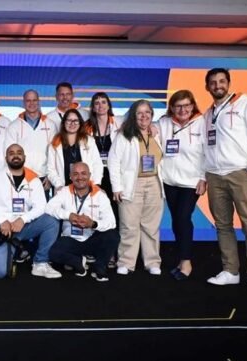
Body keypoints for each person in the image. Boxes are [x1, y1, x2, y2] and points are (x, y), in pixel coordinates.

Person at [202, 68, 247, 295]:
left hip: (241, 174)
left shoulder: (245, 104)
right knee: (223, 225)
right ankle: (231, 271)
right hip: (215, 176)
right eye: (213, 83)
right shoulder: (208, 114)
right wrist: (205, 174)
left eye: (222, 81)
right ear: (207, 87)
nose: (218, 85)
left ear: (228, 83)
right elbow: (205, 148)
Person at [0, 144, 61, 279]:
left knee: (51, 221)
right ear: (6, 158)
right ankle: (10, 248)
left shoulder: (34, 179)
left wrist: (23, 219)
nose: (15, 155)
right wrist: (2, 220)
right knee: (0, 273)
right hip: (0, 229)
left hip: (22, 227)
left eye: (19, 152)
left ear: (24, 157)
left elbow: (41, 206)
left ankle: (40, 263)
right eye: (11, 153)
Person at [107, 99, 164, 276]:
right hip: (131, 184)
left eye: (147, 112)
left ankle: (152, 262)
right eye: (139, 113)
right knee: (129, 225)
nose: (144, 116)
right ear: (133, 115)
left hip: (154, 182)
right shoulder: (124, 135)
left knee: (151, 226)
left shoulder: (157, 133)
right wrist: (116, 187)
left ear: (152, 115)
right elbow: (113, 161)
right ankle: (126, 262)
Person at [158, 90, 207, 280]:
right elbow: (147, 129)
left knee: (183, 218)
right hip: (169, 181)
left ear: (193, 105)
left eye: (187, 105)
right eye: (178, 106)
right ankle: (181, 258)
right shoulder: (164, 123)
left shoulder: (202, 123)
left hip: (191, 182)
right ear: (171, 108)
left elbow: (208, 153)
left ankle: (186, 261)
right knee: (176, 220)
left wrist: (203, 178)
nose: (183, 110)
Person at [46, 162, 119, 282]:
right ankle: (78, 261)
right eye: (75, 174)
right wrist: (68, 215)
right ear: (70, 176)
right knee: (52, 252)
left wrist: (93, 224)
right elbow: (49, 208)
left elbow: (111, 222)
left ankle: (99, 268)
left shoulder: (100, 194)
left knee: (113, 236)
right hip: (71, 240)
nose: (79, 177)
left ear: (89, 175)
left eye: (83, 173)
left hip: (92, 239)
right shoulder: (64, 191)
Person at [85, 92, 123, 267]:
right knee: (95, 213)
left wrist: (154, 127)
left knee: (114, 215)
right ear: (93, 107)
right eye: (97, 103)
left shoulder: (119, 123)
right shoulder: (86, 127)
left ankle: (112, 253)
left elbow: (141, 120)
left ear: (109, 105)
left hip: (115, 176)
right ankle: (94, 250)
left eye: (103, 102)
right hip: (95, 177)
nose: (100, 106)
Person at [5, 89, 58, 195]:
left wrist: (50, 177)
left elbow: (55, 154)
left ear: (39, 102)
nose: (32, 103)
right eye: (28, 100)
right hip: (21, 177)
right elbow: (8, 154)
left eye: (34, 100)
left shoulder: (50, 125)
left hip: (43, 179)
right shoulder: (14, 126)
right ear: (23, 103)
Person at [47, 109, 103, 193]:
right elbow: (51, 169)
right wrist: (59, 186)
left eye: (76, 121)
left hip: (86, 189)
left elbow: (97, 164)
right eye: (69, 120)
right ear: (64, 123)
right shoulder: (55, 142)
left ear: (80, 123)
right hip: (63, 189)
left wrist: (95, 184)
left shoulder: (89, 141)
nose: (72, 123)